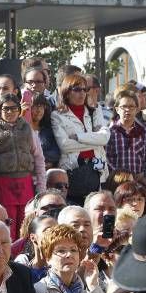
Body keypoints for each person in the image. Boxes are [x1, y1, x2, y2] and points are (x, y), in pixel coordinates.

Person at [0, 94, 45, 239]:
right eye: (6, 109)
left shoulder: (28, 130)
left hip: (25, 184)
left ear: (19, 110)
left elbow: (38, 158)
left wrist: (41, 186)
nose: (10, 112)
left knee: (27, 223)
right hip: (2, 184)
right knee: (8, 223)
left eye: (14, 108)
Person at [52, 73, 109, 205]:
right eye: (77, 89)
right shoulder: (58, 115)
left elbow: (104, 138)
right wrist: (94, 141)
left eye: (85, 89)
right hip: (73, 171)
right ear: (66, 91)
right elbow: (65, 145)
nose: (82, 93)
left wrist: (79, 137)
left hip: (96, 169)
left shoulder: (94, 110)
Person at [106, 90, 146, 175]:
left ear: (136, 109)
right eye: (124, 106)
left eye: (131, 107)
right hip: (117, 182)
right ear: (117, 109)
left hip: (139, 182)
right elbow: (106, 159)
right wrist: (120, 176)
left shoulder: (142, 132)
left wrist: (143, 174)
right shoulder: (110, 132)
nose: (127, 110)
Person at [28, 93, 59, 170]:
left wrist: (36, 159)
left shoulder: (48, 130)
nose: (38, 110)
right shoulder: (21, 130)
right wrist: (41, 162)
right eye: (34, 106)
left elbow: (56, 154)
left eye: (41, 106)